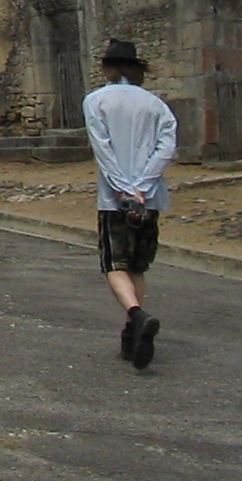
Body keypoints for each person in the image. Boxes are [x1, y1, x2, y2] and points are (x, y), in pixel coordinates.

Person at [84, 38, 178, 370]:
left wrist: (124, 189)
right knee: (138, 265)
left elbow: (103, 149)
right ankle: (131, 331)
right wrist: (144, 185)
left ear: (108, 68)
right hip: (150, 199)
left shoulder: (96, 101)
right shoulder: (157, 105)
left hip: (115, 201)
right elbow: (166, 147)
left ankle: (136, 316)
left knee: (114, 264)